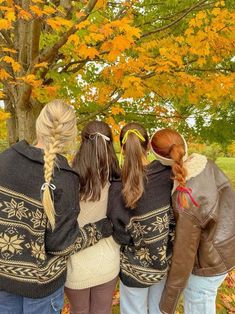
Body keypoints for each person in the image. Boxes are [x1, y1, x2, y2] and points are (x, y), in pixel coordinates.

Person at [0, 100, 112, 314]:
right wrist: (100, 229)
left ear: (38, 124)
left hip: (4, 281)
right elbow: (61, 244)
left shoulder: (4, 161)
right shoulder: (65, 179)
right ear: (71, 134)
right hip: (42, 287)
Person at [150, 128, 235, 314]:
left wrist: (168, 303)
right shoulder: (207, 164)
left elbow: (183, 255)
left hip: (208, 265)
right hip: (226, 250)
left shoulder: (185, 198)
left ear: (158, 158)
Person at [107, 122, 174, 314]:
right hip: (163, 262)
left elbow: (119, 235)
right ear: (148, 146)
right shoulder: (166, 174)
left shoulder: (117, 185)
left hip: (133, 268)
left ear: (123, 148)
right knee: (159, 310)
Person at [65, 121, 121, 314]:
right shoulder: (118, 180)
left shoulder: (68, 179)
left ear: (83, 142)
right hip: (108, 261)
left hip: (75, 263)